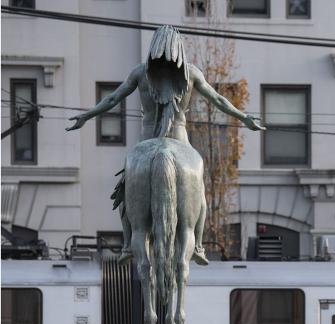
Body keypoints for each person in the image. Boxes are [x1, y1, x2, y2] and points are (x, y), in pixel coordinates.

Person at [66, 24, 263, 266]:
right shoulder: (191, 74)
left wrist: (87, 116)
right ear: (178, 48)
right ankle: (198, 245)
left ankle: (129, 244)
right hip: (181, 141)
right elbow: (219, 99)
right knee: (198, 191)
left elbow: (112, 98)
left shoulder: (140, 74)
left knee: (126, 192)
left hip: (146, 143)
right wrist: (244, 117)